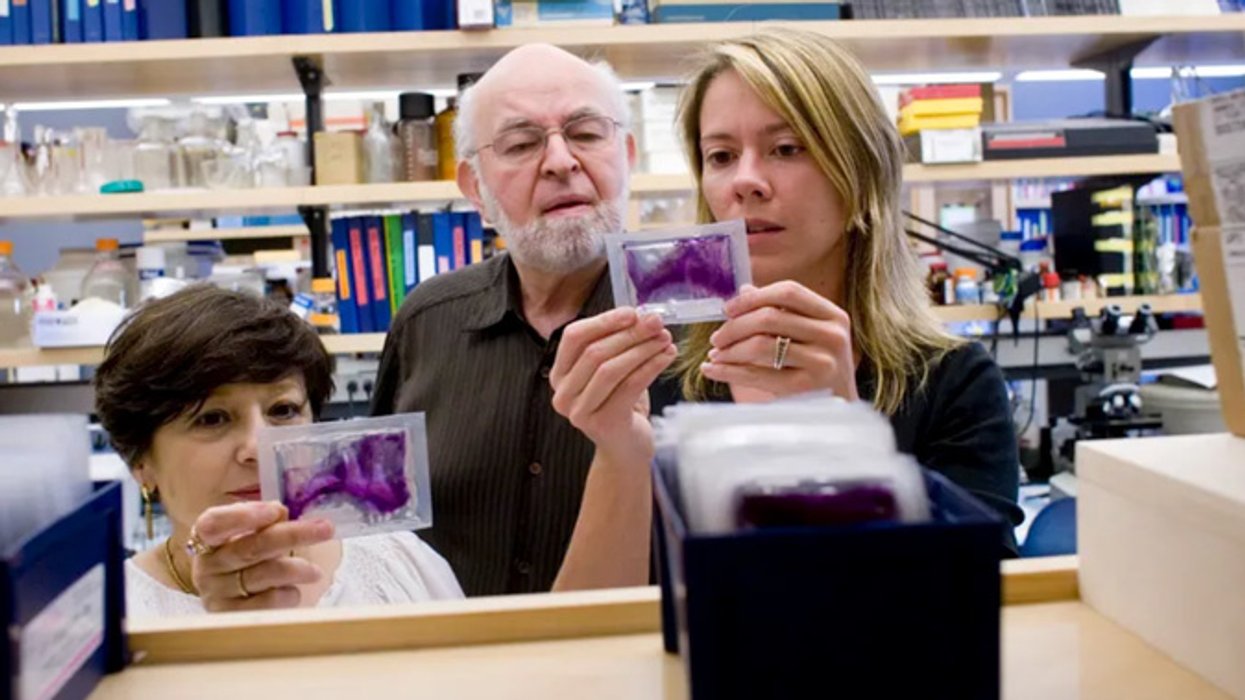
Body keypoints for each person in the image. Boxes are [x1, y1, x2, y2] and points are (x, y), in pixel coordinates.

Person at [551, 29, 1023, 545]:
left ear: (860, 172)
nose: (745, 181)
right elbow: (606, 613)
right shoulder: (659, 376)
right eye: (721, 156)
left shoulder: (953, 386)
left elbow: (973, 608)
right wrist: (619, 455)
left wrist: (840, 431)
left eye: (785, 148)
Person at [96, 285, 657, 617]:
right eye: (211, 419)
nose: (258, 448)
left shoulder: (397, 556)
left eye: (283, 411)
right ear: (139, 459)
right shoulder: (112, 620)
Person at [370, 44, 676, 596]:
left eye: (586, 133)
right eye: (520, 143)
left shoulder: (704, 329)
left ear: (626, 155)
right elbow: (377, 535)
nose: (561, 161)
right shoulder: (425, 322)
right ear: (475, 189)